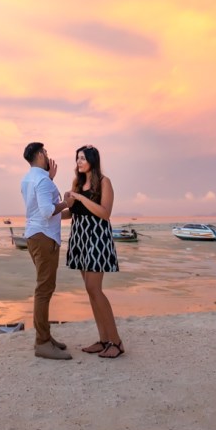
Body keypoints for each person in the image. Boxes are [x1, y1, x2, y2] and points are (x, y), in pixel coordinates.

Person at [66, 145, 124, 358]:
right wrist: (51, 211)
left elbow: (105, 213)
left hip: (97, 237)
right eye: (77, 159)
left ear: (92, 160)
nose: (78, 162)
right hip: (80, 237)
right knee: (90, 291)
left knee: (94, 288)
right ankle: (103, 340)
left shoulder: (104, 182)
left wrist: (81, 198)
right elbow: (72, 213)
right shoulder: (78, 183)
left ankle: (116, 342)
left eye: (82, 158)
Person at [20, 141, 73, 360]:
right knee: (44, 289)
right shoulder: (42, 180)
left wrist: (50, 179)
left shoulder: (29, 179)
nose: (48, 156)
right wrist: (67, 202)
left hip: (35, 236)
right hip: (44, 237)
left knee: (45, 288)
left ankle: (45, 336)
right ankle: (42, 342)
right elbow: (46, 211)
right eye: (46, 152)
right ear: (40, 155)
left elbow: (40, 208)